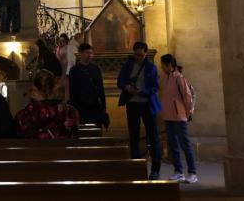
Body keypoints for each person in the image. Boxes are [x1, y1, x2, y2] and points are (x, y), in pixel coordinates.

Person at [117, 41, 162, 179]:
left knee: (153, 136)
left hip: (147, 104)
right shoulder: (128, 65)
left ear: (145, 54)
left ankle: (155, 170)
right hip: (132, 104)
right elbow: (120, 81)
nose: (138, 57)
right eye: (136, 55)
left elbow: (155, 87)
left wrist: (142, 92)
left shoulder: (151, 67)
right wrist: (127, 88)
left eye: (141, 55)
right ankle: (136, 168)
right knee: (134, 135)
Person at [160, 54, 198, 184]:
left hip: (179, 116)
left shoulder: (179, 78)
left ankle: (192, 173)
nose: (161, 67)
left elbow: (187, 96)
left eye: (163, 65)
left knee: (185, 144)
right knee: (173, 145)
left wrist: (189, 112)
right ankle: (178, 172)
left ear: (169, 65)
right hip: (168, 116)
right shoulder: (166, 77)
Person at [14, 69, 78, 139]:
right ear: (53, 87)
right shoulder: (69, 111)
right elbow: (73, 134)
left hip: (34, 146)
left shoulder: (28, 111)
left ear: (34, 88)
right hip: (64, 146)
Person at [68, 43, 110, 129]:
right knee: (83, 130)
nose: (90, 55)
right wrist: (74, 107)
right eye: (87, 53)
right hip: (81, 106)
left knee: (96, 130)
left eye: (91, 53)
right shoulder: (74, 70)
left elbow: (100, 88)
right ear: (80, 54)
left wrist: (103, 106)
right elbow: (72, 90)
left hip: (95, 106)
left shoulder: (95, 69)